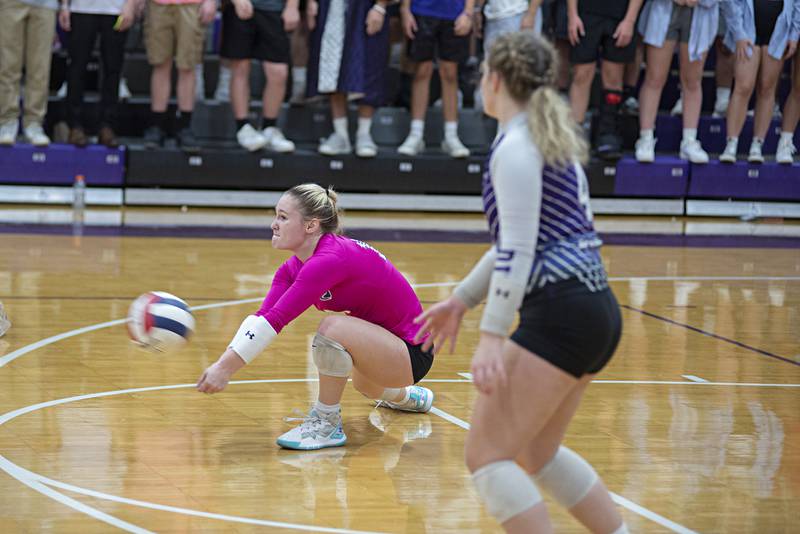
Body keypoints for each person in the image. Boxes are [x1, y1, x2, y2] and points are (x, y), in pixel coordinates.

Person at [414, 33, 628, 533]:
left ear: (494, 80)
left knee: (487, 457)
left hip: (561, 313)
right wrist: (461, 301)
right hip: (595, 309)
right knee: (537, 452)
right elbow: (519, 238)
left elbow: (517, 249)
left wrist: (491, 337)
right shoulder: (546, 137)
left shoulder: (514, 145)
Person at [196, 184, 435, 451]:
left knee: (332, 328)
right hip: (387, 349)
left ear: (310, 226)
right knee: (363, 384)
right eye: (275, 215)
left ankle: (326, 422)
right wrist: (222, 363)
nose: (274, 224)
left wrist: (224, 369)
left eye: (283, 217)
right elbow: (262, 318)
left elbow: (276, 320)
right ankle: (406, 397)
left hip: (414, 352)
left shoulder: (329, 259)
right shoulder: (292, 268)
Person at [635, 0, 720, 164]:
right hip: (664, 7)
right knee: (655, 77)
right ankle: (645, 137)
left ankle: (689, 140)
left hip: (701, 11)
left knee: (692, 81)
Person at [307, 0, 391, 157]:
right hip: (332, 7)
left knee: (370, 63)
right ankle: (340, 134)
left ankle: (364, 134)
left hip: (368, 7)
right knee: (332, 65)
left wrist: (380, 6)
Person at [719, 0, 799, 163]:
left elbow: (797, 4)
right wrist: (739, 33)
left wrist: (794, 34)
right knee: (743, 86)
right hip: (748, 30)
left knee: (767, 88)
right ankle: (731, 142)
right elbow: (730, 3)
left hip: (778, 32)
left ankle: (757, 144)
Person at [397, 0, 474, 158]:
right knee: (422, 71)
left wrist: (468, 12)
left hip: (455, 12)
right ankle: (416, 134)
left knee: (450, 73)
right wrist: (405, 9)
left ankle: (451, 135)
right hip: (421, 10)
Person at [58, 0, 140, 148]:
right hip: (80, 9)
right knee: (77, 67)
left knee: (113, 68)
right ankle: (75, 126)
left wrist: (131, 4)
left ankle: (107, 126)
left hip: (116, 11)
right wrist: (64, 5)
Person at [567, 0, 643, 159]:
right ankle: (574, 135)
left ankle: (608, 132)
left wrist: (629, 20)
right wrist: (572, 14)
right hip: (585, 12)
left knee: (613, 75)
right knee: (582, 74)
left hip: (620, 14)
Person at [222, 0, 298, 152]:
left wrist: (292, 6)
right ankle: (243, 127)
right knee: (240, 67)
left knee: (278, 72)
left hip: (274, 9)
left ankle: (269, 128)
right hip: (240, 7)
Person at [142, 0, 217, 152]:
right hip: (158, 5)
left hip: (192, 5)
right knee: (160, 64)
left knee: (187, 67)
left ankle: (185, 126)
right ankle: (157, 125)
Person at [0, 0, 58, 146]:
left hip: (45, 5)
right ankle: (7, 122)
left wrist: (63, 5)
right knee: (8, 65)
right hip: (10, 3)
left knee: (40, 68)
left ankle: (34, 123)